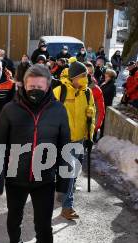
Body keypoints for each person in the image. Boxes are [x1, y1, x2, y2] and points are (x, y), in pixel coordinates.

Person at [0, 64, 71, 243]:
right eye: (31, 85)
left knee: (44, 229)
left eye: (39, 86)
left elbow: (65, 147)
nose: (35, 89)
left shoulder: (58, 111)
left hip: (44, 179)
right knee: (14, 219)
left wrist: (63, 183)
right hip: (16, 178)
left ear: (48, 86)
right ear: (24, 85)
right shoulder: (10, 109)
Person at [53, 61, 96, 220]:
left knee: (74, 173)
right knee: (69, 173)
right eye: (83, 76)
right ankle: (67, 207)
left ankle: (63, 193)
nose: (86, 78)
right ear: (74, 77)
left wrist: (90, 137)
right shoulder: (59, 91)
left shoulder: (87, 93)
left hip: (80, 140)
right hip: (64, 141)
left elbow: (91, 115)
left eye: (86, 75)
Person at [84, 62, 106, 139]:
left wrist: (95, 127)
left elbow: (100, 110)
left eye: (90, 73)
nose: (87, 75)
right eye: (85, 72)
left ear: (93, 73)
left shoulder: (96, 90)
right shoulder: (70, 87)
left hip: (87, 130)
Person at [99, 69, 117, 137]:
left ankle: (101, 136)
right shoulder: (104, 82)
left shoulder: (112, 85)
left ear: (111, 76)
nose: (105, 75)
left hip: (106, 105)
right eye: (106, 74)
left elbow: (105, 93)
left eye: (107, 75)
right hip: (101, 104)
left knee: (103, 123)